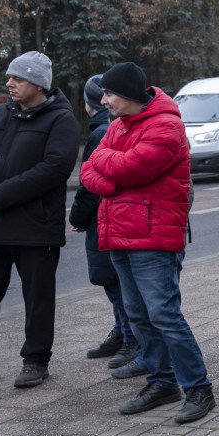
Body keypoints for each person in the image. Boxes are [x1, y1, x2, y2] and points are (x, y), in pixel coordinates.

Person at [81, 61, 216, 424]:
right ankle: (162, 382)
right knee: (139, 315)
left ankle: (199, 388)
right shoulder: (119, 124)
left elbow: (130, 168)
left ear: (127, 94)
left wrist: (110, 167)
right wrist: (113, 176)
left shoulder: (166, 126)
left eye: (108, 94)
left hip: (153, 239)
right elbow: (89, 170)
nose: (103, 101)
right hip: (120, 235)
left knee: (164, 316)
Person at [0, 51, 79, 392]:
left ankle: (36, 361)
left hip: (35, 228)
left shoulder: (61, 120)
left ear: (38, 85)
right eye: (9, 77)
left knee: (38, 300)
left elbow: (54, 169)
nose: (9, 83)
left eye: (17, 78)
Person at [69, 74, 144, 375]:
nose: (102, 101)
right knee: (114, 281)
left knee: (116, 283)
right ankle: (122, 333)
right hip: (107, 217)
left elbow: (92, 183)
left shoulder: (104, 131)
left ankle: (131, 340)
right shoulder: (109, 127)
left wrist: (77, 217)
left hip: (108, 218)